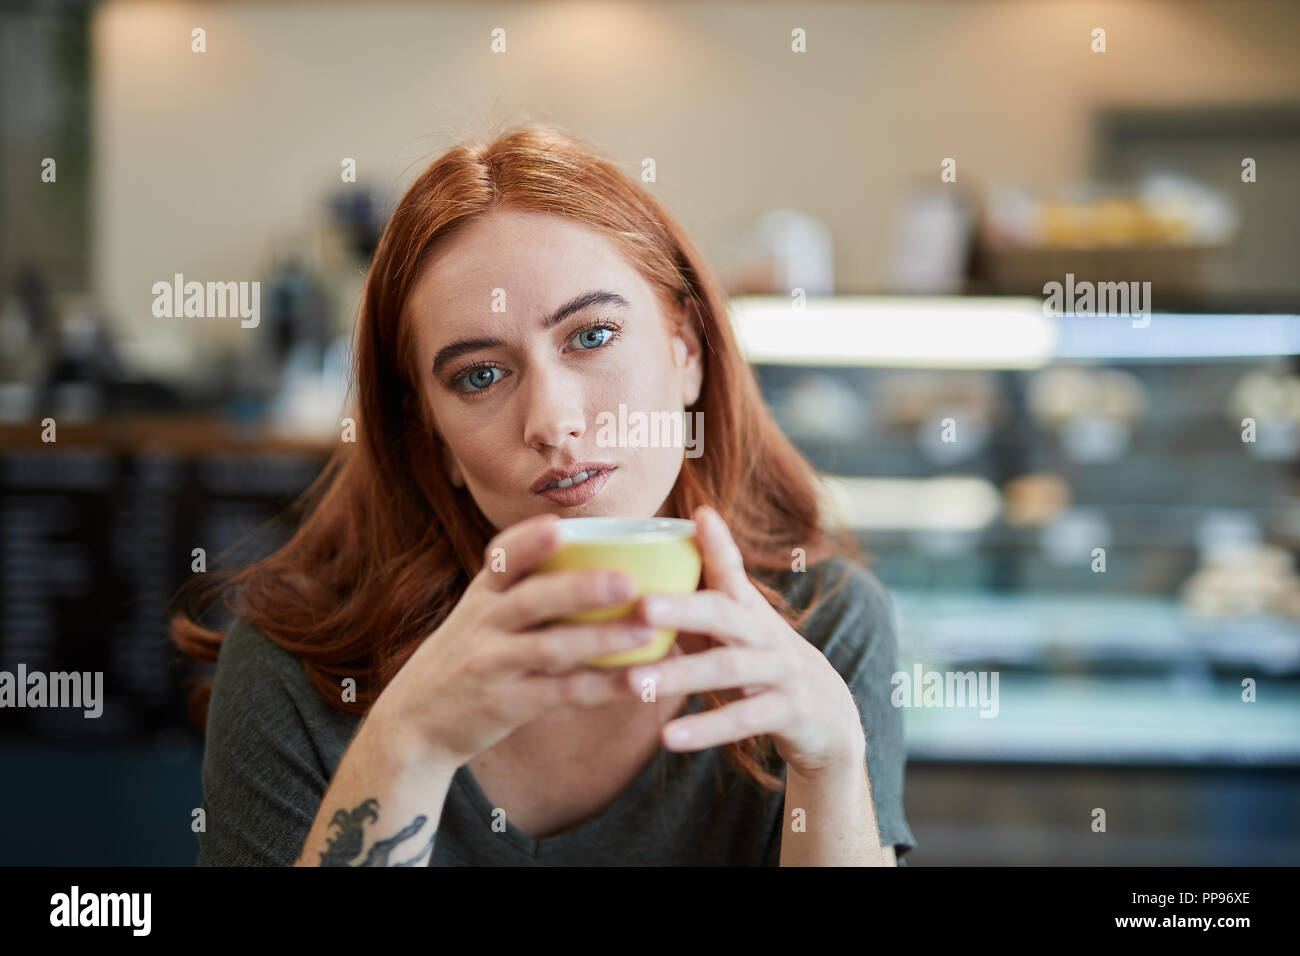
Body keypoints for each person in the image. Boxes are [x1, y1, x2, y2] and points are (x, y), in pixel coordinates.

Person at [170, 123, 916, 866]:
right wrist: (411, 743)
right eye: (479, 376)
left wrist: (833, 768)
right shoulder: (291, 669)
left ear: (685, 356)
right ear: (435, 443)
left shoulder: (822, 625)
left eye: (591, 337)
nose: (553, 423)